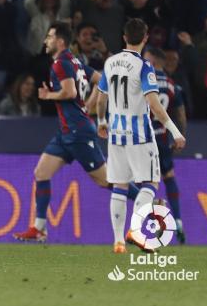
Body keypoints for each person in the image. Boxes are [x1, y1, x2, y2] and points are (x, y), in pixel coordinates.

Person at [12, 22, 132, 242]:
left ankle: (149, 201)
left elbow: (69, 92)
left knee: (106, 181)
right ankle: (39, 228)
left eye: (49, 37)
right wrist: (89, 104)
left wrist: (50, 96)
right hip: (67, 131)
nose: (45, 41)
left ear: (60, 41)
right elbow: (102, 80)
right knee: (41, 173)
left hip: (78, 132)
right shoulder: (76, 61)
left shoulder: (60, 63)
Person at [96, 18, 186, 254]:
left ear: (124, 37)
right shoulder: (145, 67)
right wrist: (176, 132)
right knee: (150, 183)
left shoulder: (110, 63)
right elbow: (155, 106)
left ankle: (117, 241)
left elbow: (100, 99)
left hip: (116, 135)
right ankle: (136, 230)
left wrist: (102, 122)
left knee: (120, 185)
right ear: (145, 38)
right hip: (140, 136)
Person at [143, 47, 187, 243]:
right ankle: (177, 221)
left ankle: (155, 215)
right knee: (168, 176)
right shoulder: (171, 85)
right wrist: (180, 136)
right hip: (163, 139)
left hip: (143, 139)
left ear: (152, 61)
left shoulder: (144, 81)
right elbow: (181, 114)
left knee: (136, 182)